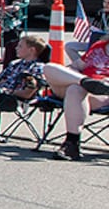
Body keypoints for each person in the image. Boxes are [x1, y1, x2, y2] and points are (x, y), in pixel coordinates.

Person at [43, 26, 109, 161]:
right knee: (49, 67)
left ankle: (72, 144)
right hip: (79, 83)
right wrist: (70, 73)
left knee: (75, 90)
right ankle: (85, 81)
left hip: (102, 93)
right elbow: (77, 66)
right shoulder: (99, 46)